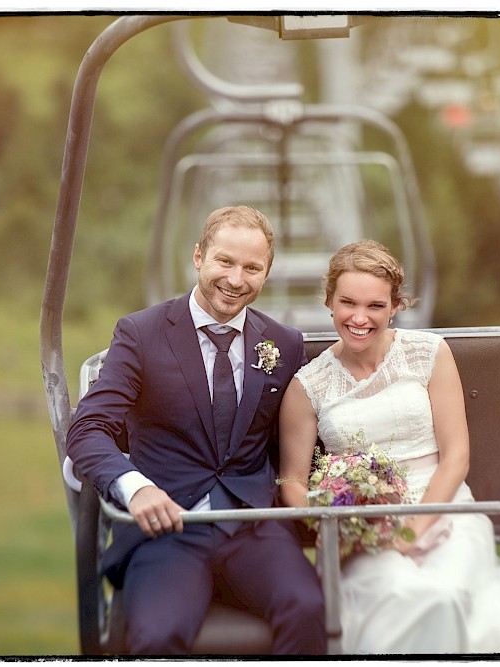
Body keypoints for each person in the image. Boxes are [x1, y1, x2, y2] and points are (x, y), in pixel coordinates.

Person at [66, 206, 326, 655]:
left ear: (267, 272)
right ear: (199, 256)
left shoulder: (284, 344)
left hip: (253, 527)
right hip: (168, 530)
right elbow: (88, 427)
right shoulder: (141, 333)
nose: (236, 279)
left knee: (307, 608)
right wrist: (135, 489)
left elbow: (306, 437)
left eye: (252, 267)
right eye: (224, 261)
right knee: (158, 635)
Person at [278, 240, 500, 654]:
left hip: (446, 510)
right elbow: (293, 479)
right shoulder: (307, 386)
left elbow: (456, 456)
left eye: (376, 306)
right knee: (412, 597)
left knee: (450, 594)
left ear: (395, 306)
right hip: (365, 529)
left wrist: (414, 529)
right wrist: (339, 523)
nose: (360, 318)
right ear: (329, 300)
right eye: (348, 302)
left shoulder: (428, 353)